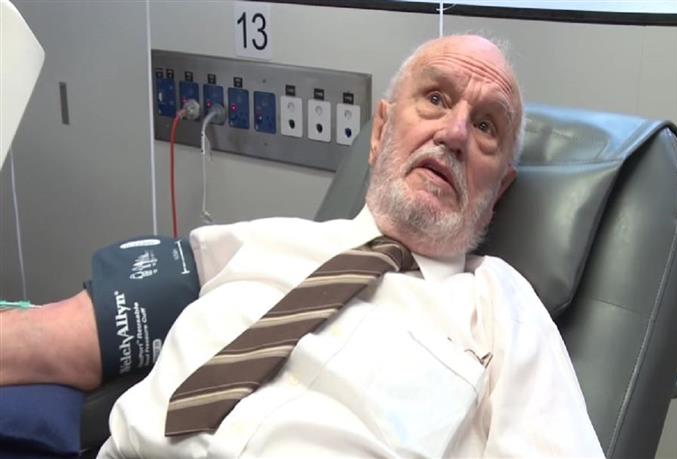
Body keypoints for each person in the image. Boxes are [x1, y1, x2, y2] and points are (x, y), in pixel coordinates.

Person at [3, 34, 605, 457]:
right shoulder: (260, 242)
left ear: (499, 191)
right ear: (380, 133)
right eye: (436, 99)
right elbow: (52, 338)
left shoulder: (502, 311)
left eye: (486, 126)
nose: (453, 133)